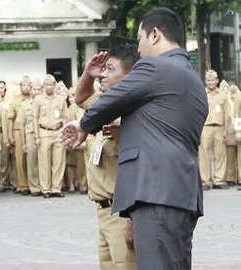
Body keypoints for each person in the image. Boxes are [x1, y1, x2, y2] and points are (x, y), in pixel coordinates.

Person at [60, 7, 206, 269]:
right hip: (178, 192)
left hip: (156, 192)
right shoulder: (189, 77)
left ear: (154, 34)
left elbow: (112, 99)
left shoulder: (157, 66)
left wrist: (84, 125)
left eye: (139, 39)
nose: (138, 49)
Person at [74, 44, 140, 269]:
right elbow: (81, 98)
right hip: (103, 212)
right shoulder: (107, 104)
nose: (103, 74)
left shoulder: (136, 112)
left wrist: (133, 220)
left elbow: (141, 170)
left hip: (123, 213)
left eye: (110, 69)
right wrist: (87, 73)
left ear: (130, 74)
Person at [33, 74, 69, 198]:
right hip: (44, 131)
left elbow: (64, 118)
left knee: (59, 161)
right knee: (44, 162)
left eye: (51, 85)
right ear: (44, 86)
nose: (49, 87)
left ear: (55, 86)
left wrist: (65, 134)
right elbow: (35, 118)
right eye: (46, 85)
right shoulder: (38, 100)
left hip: (58, 131)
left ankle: (56, 188)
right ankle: (46, 189)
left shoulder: (61, 100)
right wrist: (36, 136)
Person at [199, 70, 230, 190]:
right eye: (208, 80)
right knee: (204, 154)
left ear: (217, 81)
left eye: (213, 80)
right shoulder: (202, 94)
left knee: (221, 154)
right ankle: (205, 181)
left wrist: (226, 130)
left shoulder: (223, 94)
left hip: (220, 127)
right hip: (205, 128)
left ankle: (219, 180)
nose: (211, 82)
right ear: (205, 81)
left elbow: (227, 113)